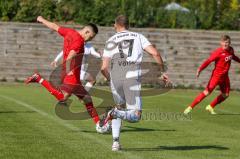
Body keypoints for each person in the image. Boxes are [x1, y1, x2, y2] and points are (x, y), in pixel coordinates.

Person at [25, 16, 109, 133]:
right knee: (63, 97)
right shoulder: (79, 41)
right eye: (90, 37)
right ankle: (39, 78)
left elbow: (54, 26)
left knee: (87, 99)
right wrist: (69, 69)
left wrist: (42, 20)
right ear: (86, 31)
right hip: (72, 74)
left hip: (71, 74)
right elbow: (71, 55)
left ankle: (99, 124)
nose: (89, 40)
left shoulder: (69, 32)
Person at [100, 15, 169, 151]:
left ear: (116, 25)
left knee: (119, 107)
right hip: (131, 78)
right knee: (135, 116)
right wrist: (161, 71)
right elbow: (155, 53)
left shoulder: (111, 40)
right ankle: (112, 113)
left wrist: (109, 78)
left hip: (115, 77)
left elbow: (103, 68)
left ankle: (115, 142)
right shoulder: (138, 36)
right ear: (128, 25)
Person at [184, 35, 240, 115]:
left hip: (225, 77)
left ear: (229, 43)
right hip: (216, 76)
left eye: (227, 42)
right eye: (224, 42)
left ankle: (210, 106)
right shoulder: (218, 52)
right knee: (207, 92)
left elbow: (233, 57)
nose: (225, 44)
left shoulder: (231, 50)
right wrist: (200, 69)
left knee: (225, 95)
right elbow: (208, 61)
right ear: (221, 43)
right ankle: (190, 107)